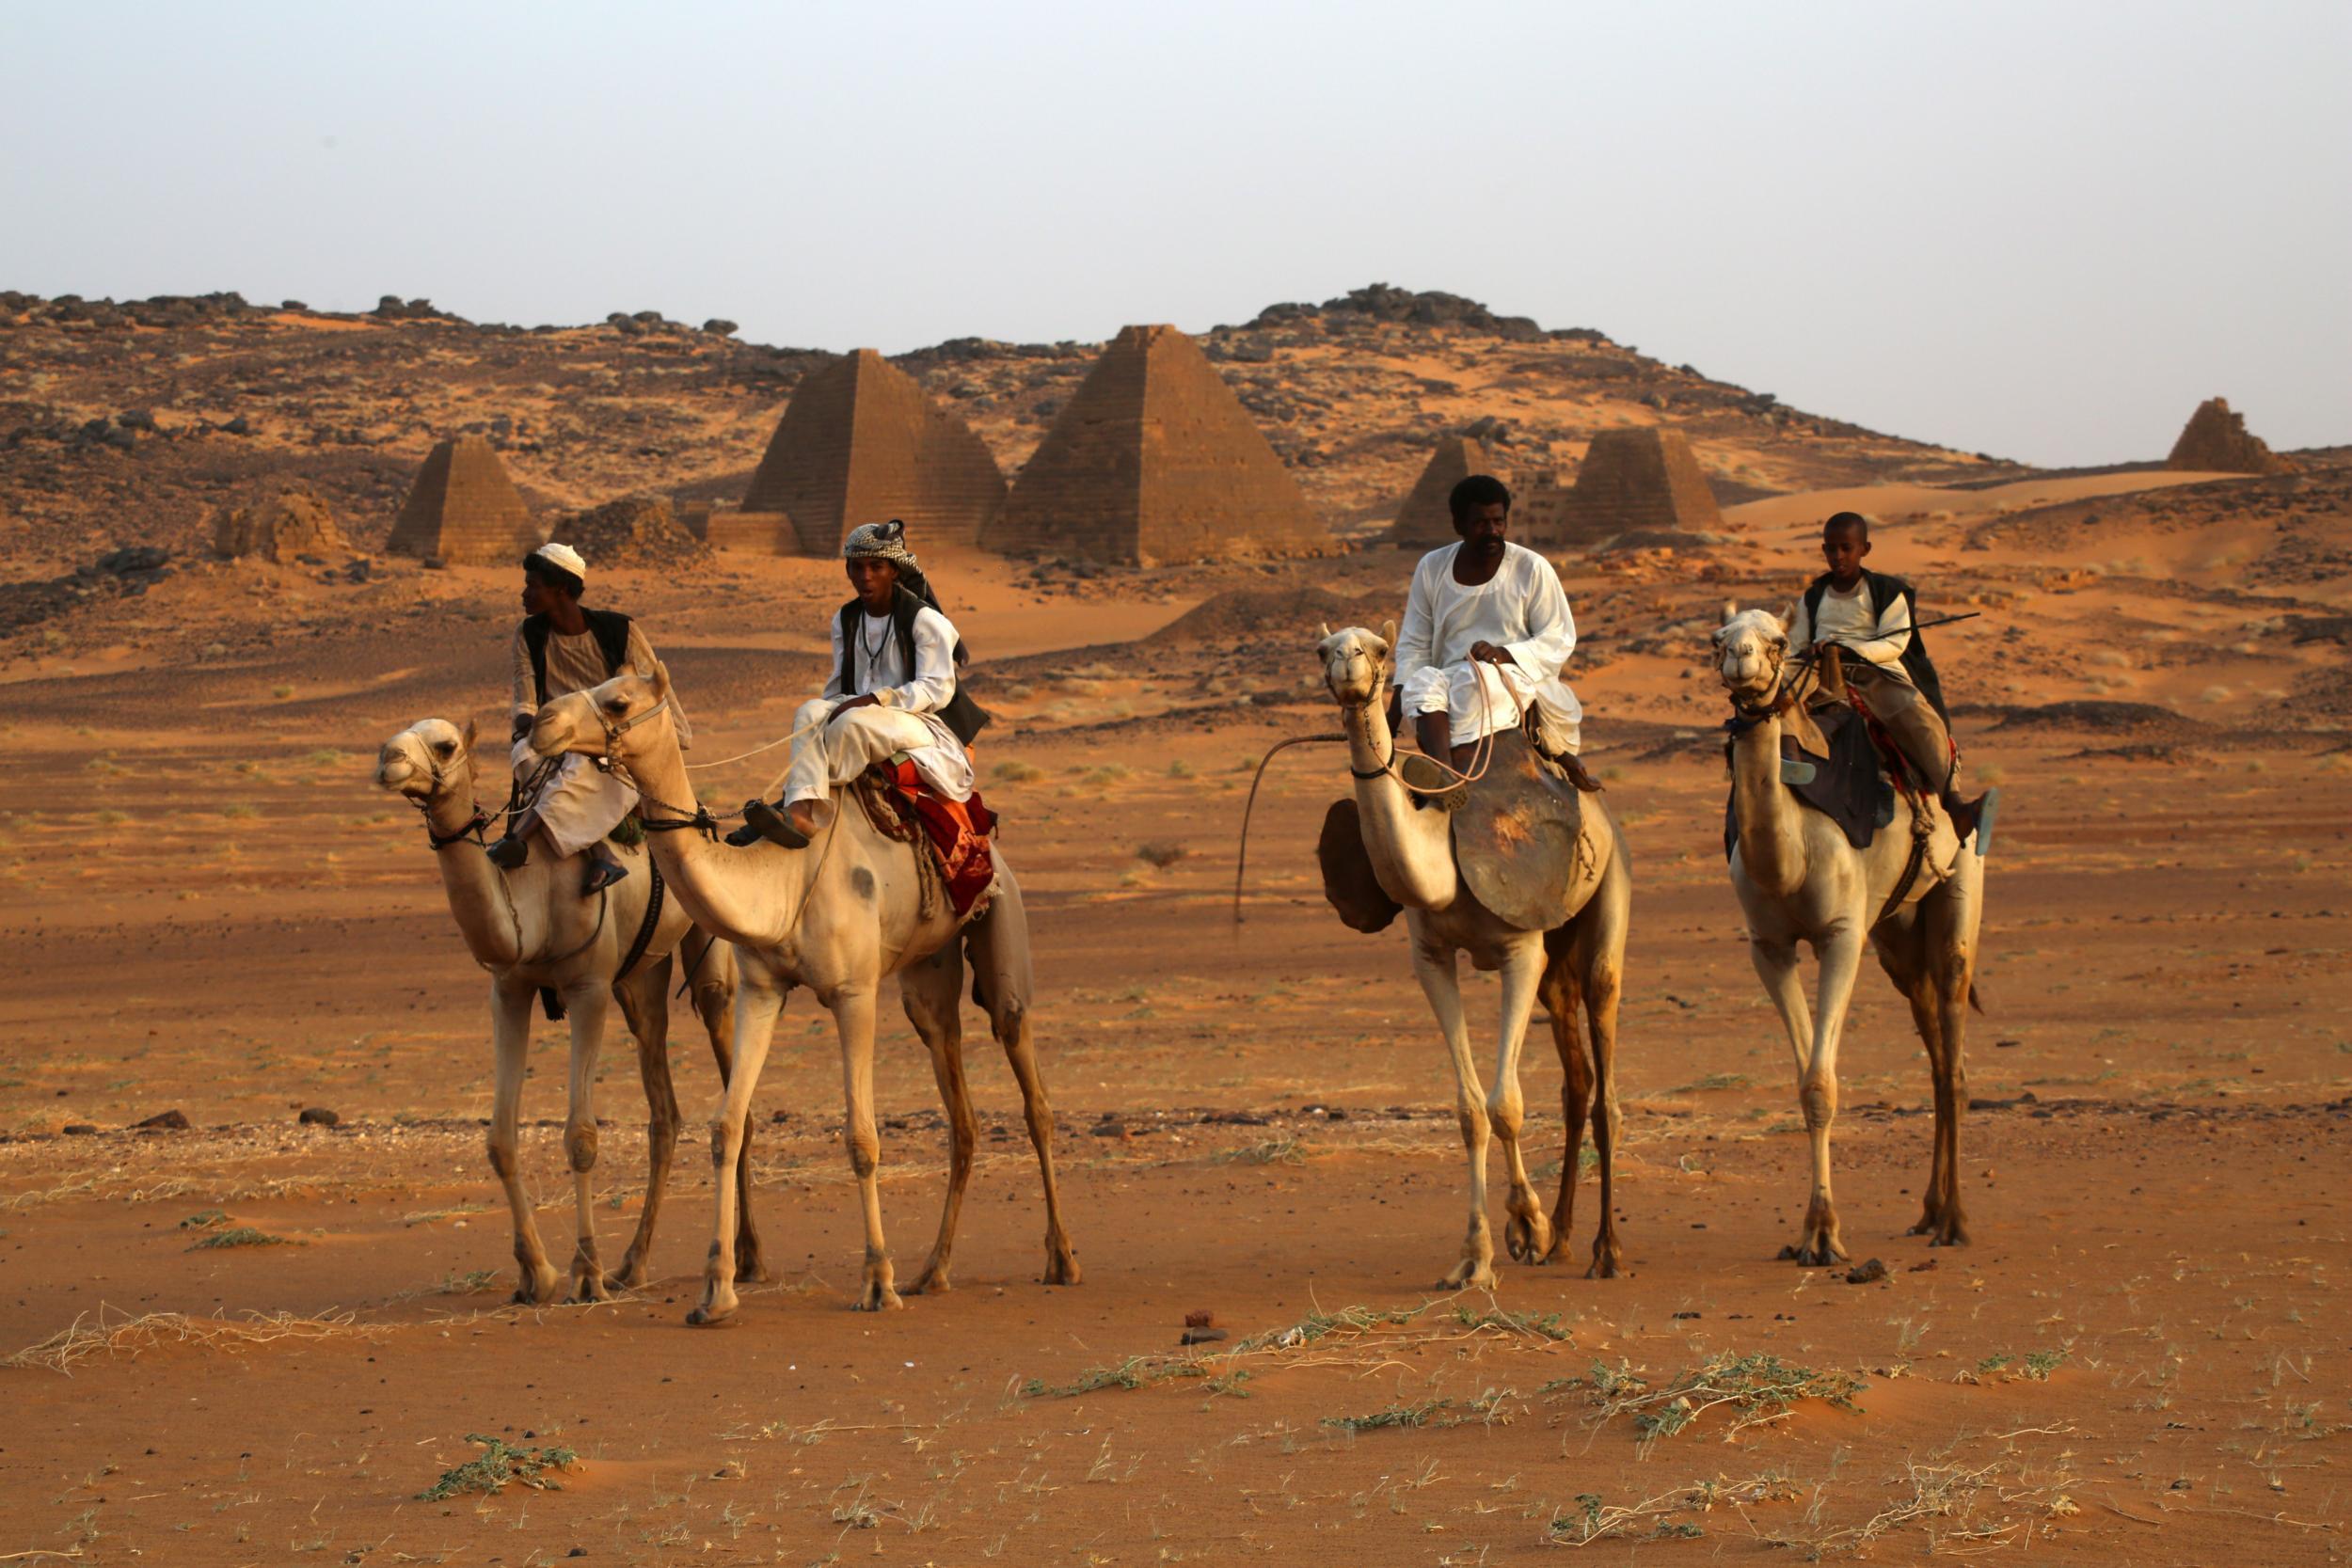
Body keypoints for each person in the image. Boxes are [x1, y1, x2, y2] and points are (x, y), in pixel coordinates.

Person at [730, 520, 989, 848]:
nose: (865, 576)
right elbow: (839, 686)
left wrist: (875, 700)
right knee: (810, 712)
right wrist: (832, 711)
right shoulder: (846, 619)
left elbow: (937, 689)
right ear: (847, 570)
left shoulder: (925, 620)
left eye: (876, 567)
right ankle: (800, 807)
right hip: (864, 713)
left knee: (852, 722)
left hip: (922, 723)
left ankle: (794, 804)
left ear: (894, 571)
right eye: (857, 567)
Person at [488, 542, 691, 892]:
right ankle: (601, 851)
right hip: (555, 740)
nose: (524, 593)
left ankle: (520, 836)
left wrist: (662, 739)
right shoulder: (529, 634)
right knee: (523, 753)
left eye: (533, 584)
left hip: (614, 743)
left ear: (561, 589)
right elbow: (525, 695)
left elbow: (655, 693)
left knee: (582, 766)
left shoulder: (619, 631)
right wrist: (526, 725)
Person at [1786, 511, 1987, 840]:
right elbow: (1796, 642)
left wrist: (1849, 648)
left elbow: (1895, 641)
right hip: (1819, 673)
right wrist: (1809, 652)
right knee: (1775, 701)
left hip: (1872, 672)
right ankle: (1788, 759)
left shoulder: (1887, 591)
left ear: (1865, 549)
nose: (1838, 557)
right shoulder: (1813, 596)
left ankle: (1954, 801)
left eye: (1846, 548)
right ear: (1823, 550)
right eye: (1831, 549)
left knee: (1919, 716)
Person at [1391, 473, 1590, 781]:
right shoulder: (1432, 567)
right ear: (1459, 525)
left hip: (1510, 676)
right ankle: (1446, 778)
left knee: (1475, 680)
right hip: (1449, 674)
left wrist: (1504, 653)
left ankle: (1451, 772)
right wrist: (1396, 703)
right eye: (1481, 523)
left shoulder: (1531, 568)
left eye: (1499, 522)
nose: (1492, 531)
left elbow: (1558, 637)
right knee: (1421, 685)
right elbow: (1415, 645)